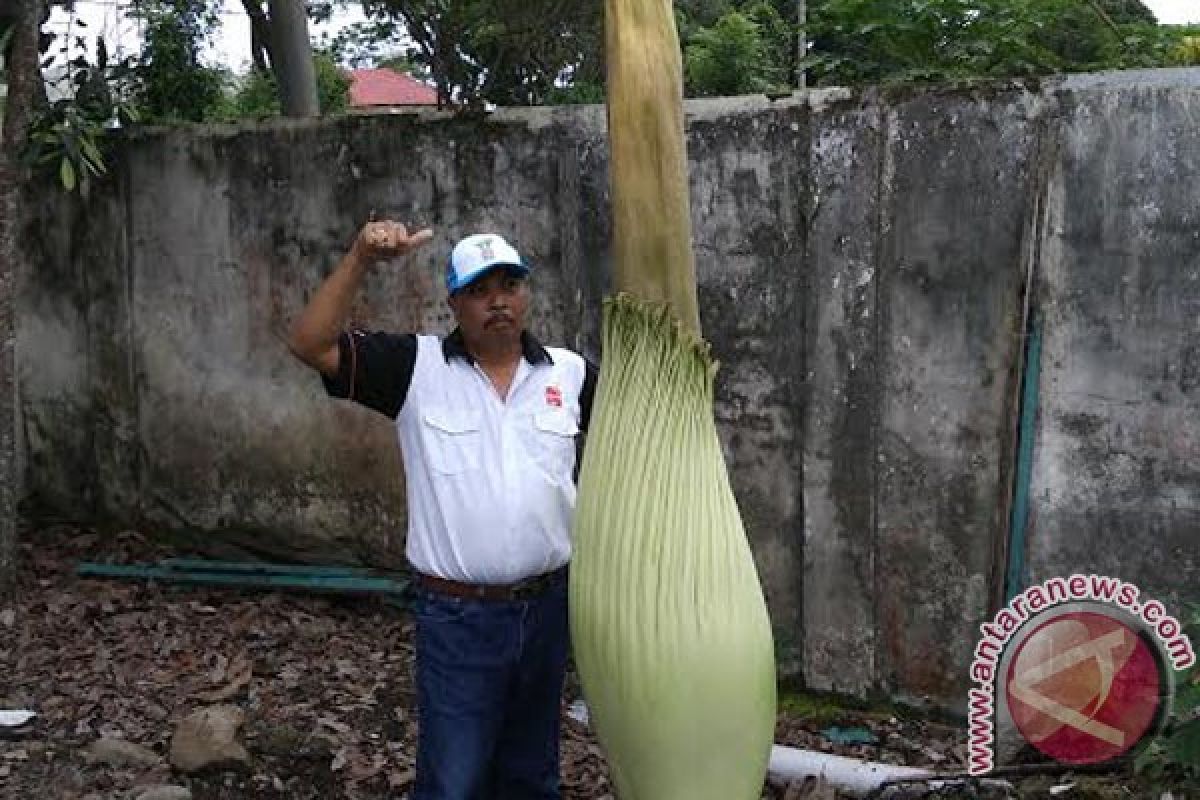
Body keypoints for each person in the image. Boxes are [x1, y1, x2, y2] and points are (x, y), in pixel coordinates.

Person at [287, 219, 597, 800]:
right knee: (454, 781)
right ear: (454, 302)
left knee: (532, 776)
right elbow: (309, 344)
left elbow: (631, 455)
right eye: (479, 290)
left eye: (509, 284)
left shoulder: (571, 374)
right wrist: (358, 258)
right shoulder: (415, 369)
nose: (497, 301)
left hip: (548, 609)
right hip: (459, 619)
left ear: (527, 292)